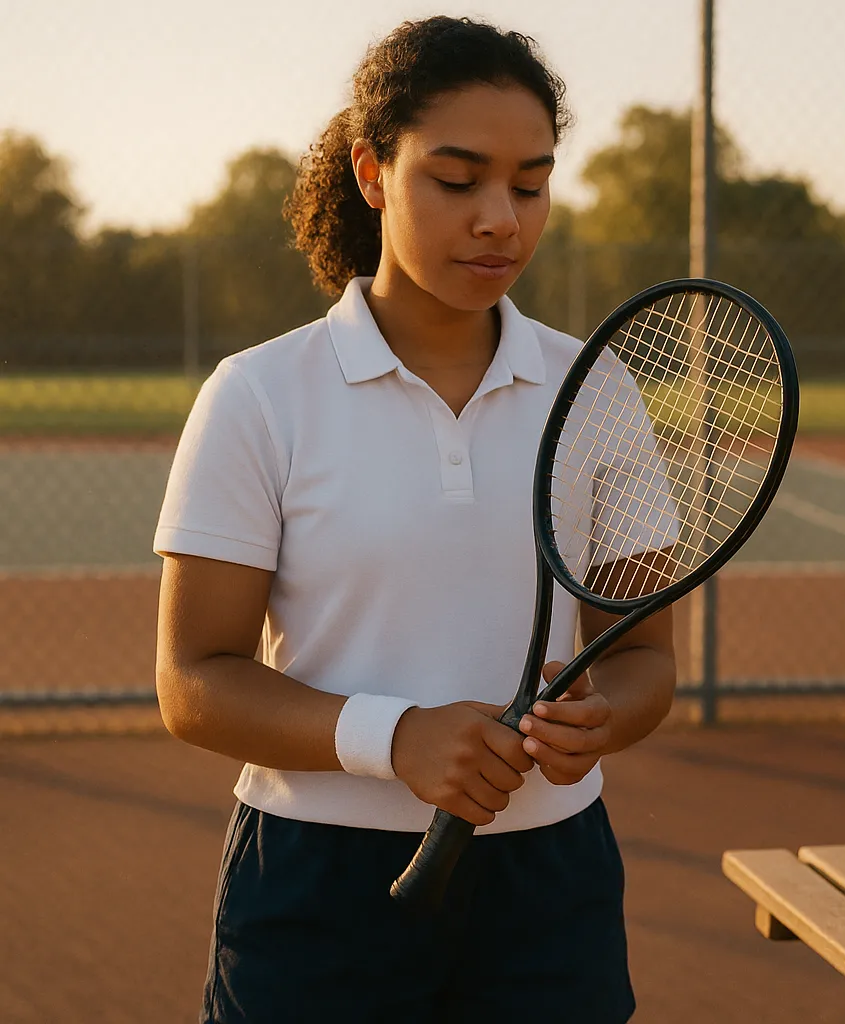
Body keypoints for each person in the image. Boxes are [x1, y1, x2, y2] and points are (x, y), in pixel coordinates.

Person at [153, 16, 672, 1022]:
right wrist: (393, 738)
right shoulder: (259, 393)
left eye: (530, 184)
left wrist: (603, 716)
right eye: (457, 177)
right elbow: (193, 681)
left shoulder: (596, 387)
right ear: (371, 170)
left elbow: (644, 655)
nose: (500, 219)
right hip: (317, 882)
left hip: (550, 881)